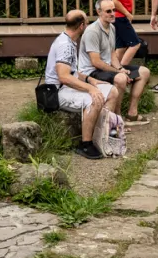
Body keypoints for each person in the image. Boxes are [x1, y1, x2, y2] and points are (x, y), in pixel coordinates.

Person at [43, 10, 114, 159]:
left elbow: (73, 72)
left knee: (112, 91)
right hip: (58, 92)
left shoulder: (69, 40)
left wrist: (90, 80)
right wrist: (90, 89)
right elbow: (64, 77)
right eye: (87, 22)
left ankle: (102, 135)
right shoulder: (65, 45)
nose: (88, 25)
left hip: (70, 87)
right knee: (95, 99)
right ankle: (85, 144)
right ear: (82, 26)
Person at [79, 0, 151, 125]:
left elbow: (112, 54)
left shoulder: (112, 27)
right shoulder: (92, 31)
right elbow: (96, 62)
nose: (112, 13)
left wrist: (120, 68)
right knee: (121, 79)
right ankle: (117, 119)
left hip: (108, 69)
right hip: (92, 72)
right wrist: (119, 72)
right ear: (99, 12)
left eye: (114, 10)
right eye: (108, 11)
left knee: (143, 72)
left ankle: (132, 114)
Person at [111, 0, 146, 68]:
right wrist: (127, 13)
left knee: (120, 47)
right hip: (121, 18)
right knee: (135, 44)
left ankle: (113, 70)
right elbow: (115, 1)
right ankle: (122, 70)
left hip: (120, 18)